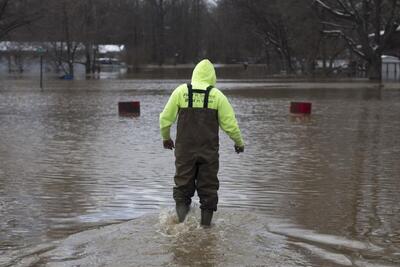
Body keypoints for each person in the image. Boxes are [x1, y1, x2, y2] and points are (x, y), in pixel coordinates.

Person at [159, 59, 244, 226]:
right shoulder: (218, 96)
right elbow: (231, 125)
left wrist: (166, 138)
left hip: (184, 152)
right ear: (212, 77)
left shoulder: (180, 92)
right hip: (209, 153)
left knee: (182, 189)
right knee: (209, 190)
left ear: (194, 75)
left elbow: (164, 119)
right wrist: (239, 143)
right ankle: (205, 229)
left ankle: (182, 226)